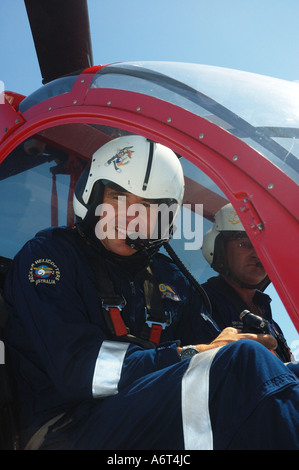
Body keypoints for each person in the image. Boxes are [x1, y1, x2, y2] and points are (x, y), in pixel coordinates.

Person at [3, 135, 299, 450]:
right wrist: (193, 353)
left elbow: (216, 348)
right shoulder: (49, 256)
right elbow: (80, 370)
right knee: (243, 364)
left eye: (147, 207)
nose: (128, 216)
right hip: (65, 428)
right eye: (117, 197)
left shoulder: (170, 278)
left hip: (141, 412)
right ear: (91, 195)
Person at [202, 203, 292, 363]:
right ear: (219, 249)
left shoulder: (271, 321)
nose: (257, 255)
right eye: (244, 244)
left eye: (263, 247)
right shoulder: (200, 302)